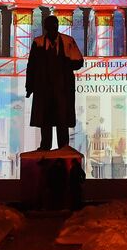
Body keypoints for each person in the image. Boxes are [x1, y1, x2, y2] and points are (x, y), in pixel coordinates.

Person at [25, 14, 84, 151]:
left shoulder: (68, 41)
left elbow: (79, 62)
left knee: (61, 118)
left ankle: (63, 146)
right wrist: (30, 86)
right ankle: (45, 146)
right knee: (45, 118)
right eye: (49, 26)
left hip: (62, 88)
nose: (52, 29)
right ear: (45, 28)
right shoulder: (38, 42)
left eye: (54, 26)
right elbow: (31, 66)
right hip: (44, 88)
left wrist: (65, 64)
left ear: (57, 26)